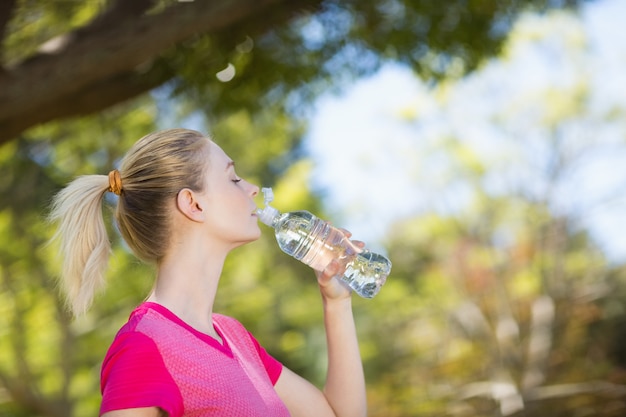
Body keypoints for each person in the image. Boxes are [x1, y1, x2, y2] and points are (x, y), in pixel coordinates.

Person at [49, 128, 367, 417]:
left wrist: (337, 302)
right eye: (233, 178)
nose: (253, 188)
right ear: (193, 204)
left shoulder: (235, 338)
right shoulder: (144, 346)